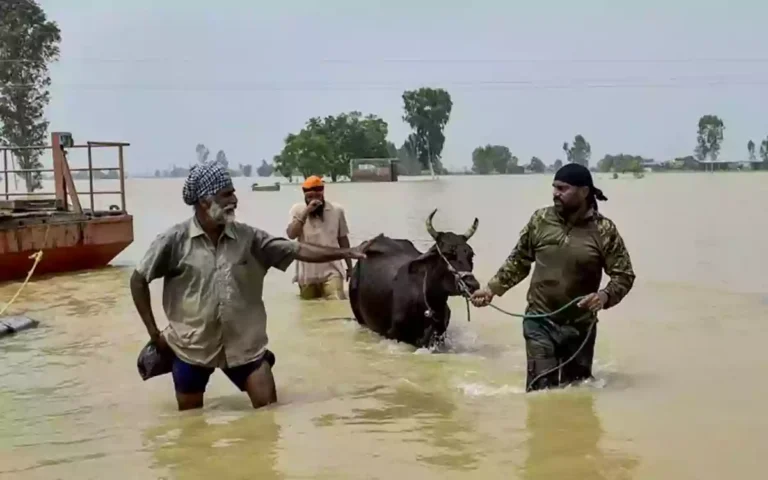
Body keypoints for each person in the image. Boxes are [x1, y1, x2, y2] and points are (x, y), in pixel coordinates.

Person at [130, 162, 371, 411]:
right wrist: (154, 334)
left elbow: (297, 249)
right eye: (226, 194)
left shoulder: (250, 238)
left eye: (233, 192)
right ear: (204, 201)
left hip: (245, 347)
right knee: (191, 426)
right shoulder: (174, 241)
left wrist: (347, 252)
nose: (234, 199)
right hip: (191, 349)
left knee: (269, 416)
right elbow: (138, 280)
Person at [470, 163, 636, 391]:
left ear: (584, 191)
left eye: (563, 188)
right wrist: (491, 290)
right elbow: (519, 261)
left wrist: (605, 296)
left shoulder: (604, 230)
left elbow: (624, 275)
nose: (555, 193)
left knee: (576, 393)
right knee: (541, 393)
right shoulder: (540, 220)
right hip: (540, 322)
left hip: (580, 327)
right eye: (554, 187)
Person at [285, 175, 352, 300]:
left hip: (332, 270)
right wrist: (306, 212)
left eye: (317, 196)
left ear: (323, 194)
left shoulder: (336, 210)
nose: (314, 200)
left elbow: (343, 240)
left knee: (338, 302)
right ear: (304, 196)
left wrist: (350, 267)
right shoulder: (297, 210)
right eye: (310, 197)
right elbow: (291, 235)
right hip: (307, 273)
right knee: (309, 309)